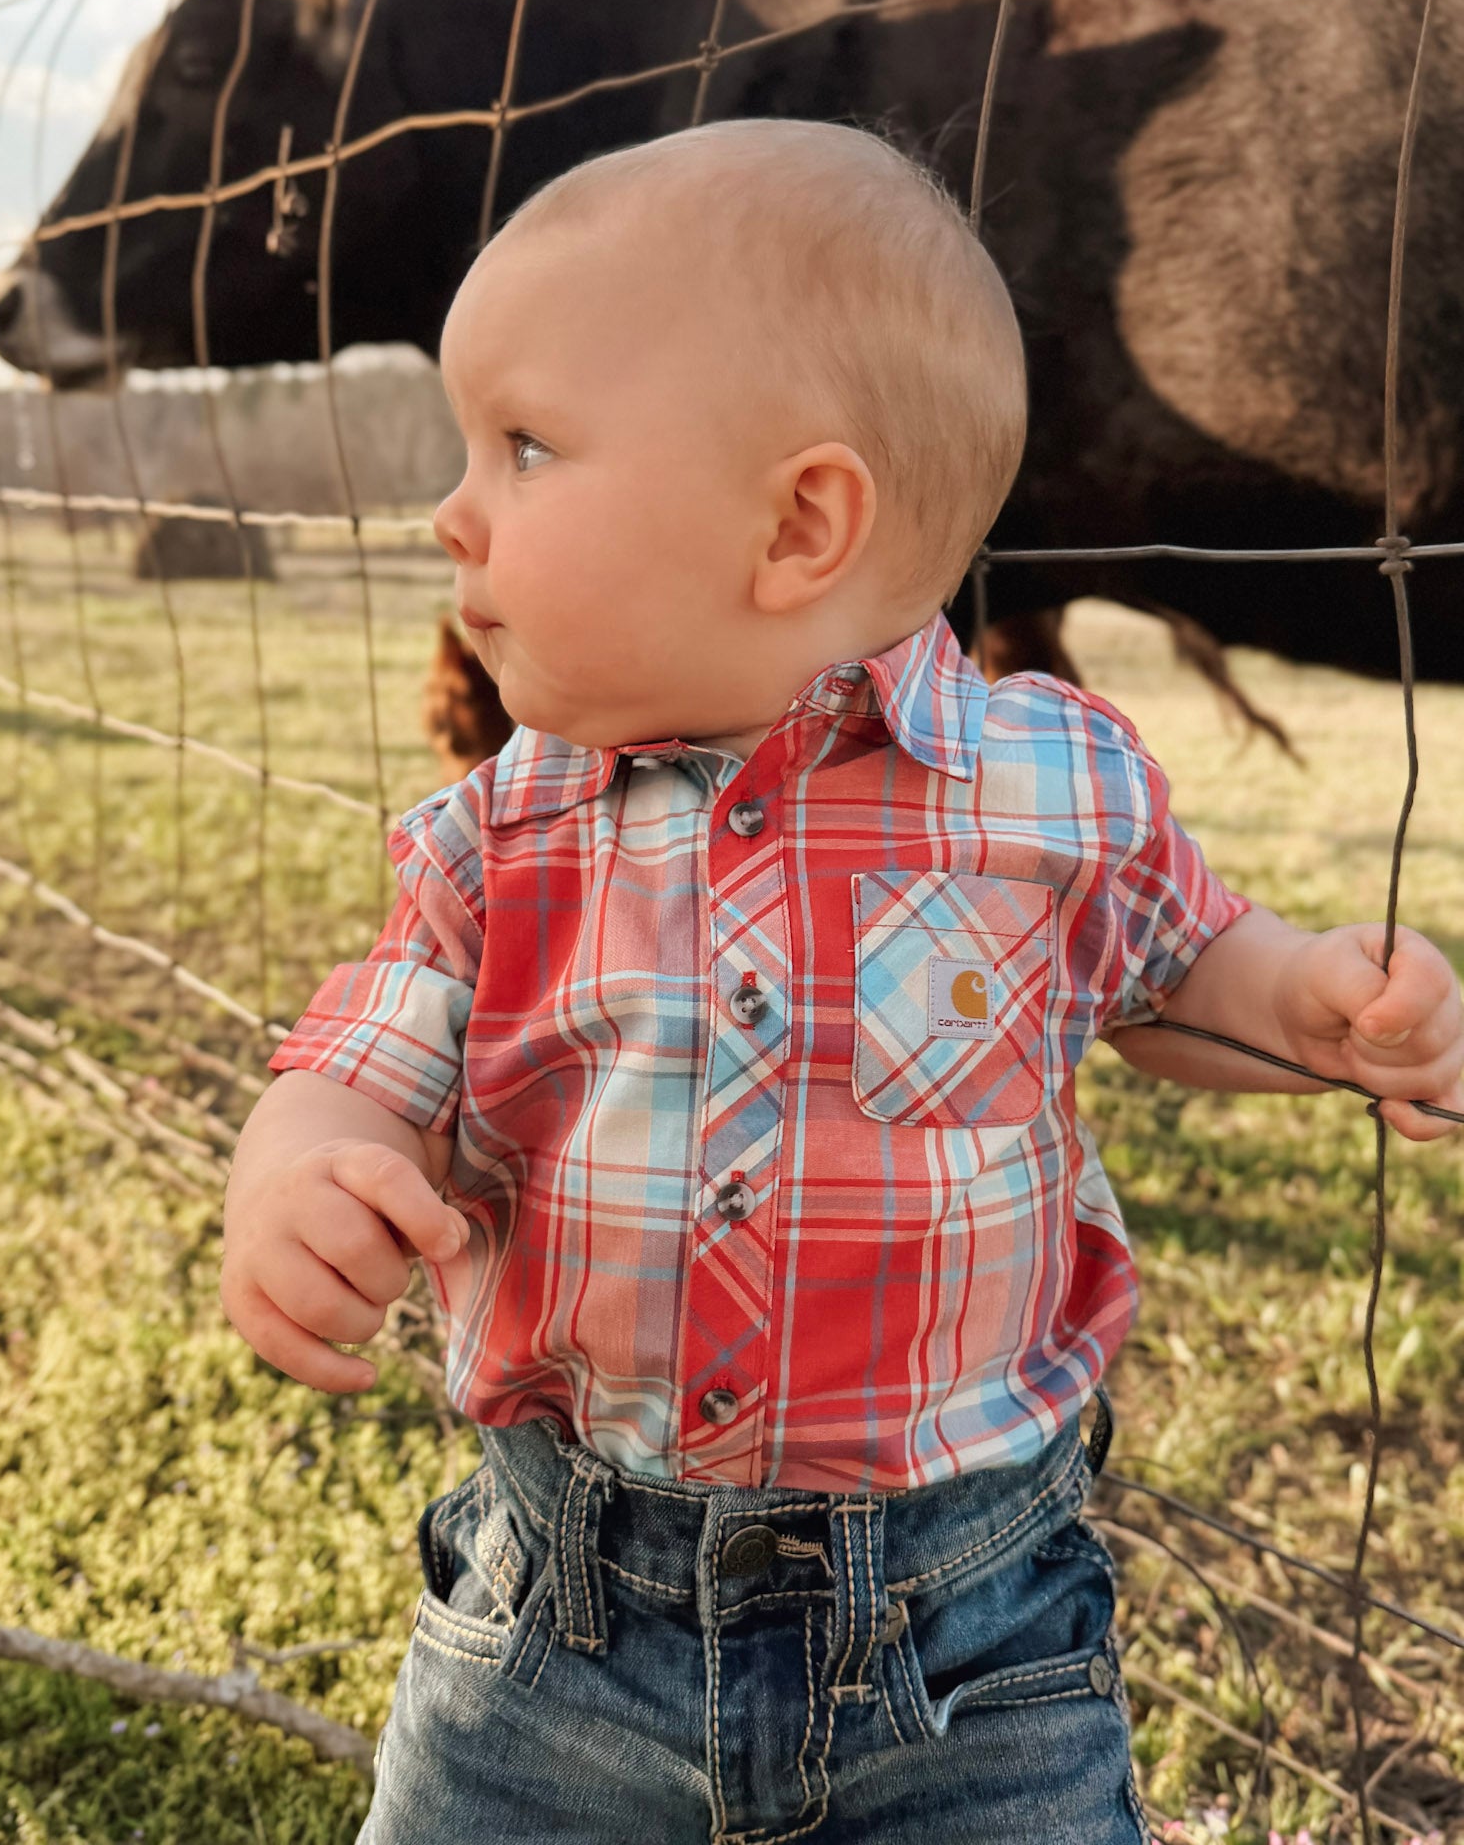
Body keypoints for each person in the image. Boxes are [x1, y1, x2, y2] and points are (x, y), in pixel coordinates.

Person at [220, 120, 1463, 1844]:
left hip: (971, 1645)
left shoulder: (1049, 789)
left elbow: (1183, 974)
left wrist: (1313, 1002)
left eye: (522, 447)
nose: (452, 510)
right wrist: (298, 1163)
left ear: (801, 523)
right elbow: (365, 1043)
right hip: (557, 1631)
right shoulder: (503, 832)